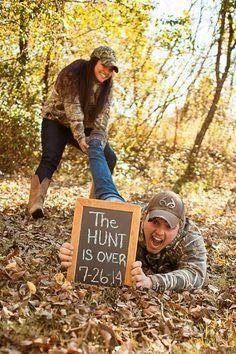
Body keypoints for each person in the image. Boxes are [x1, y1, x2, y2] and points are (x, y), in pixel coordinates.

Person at [59, 136, 207, 293]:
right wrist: (70, 256)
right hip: (122, 206)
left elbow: (195, 275)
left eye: (168, 226)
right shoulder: (131, 217)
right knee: (108, 194)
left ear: (179, 226)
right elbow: (91, 245)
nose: (159, 232)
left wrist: (152, 281)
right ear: (145, 216)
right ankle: (96, 146)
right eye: (155, 222)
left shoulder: (190, 237)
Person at [28, 46, 119, 219]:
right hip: (56, 120)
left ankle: (95, 207)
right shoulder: (73, 73)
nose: (106, 72)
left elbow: (103, 115)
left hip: (84, 125)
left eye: (111, 69)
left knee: (109, 157)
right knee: (50, 158)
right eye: (104, 66)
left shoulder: (108, 84)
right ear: (94, 61)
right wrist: (80, 137)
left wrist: (98, 140)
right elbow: (73, 108)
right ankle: (35, 205)